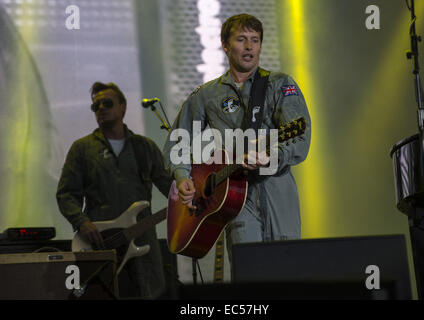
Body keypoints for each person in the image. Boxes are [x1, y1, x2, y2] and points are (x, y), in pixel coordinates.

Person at [163, 14, 311, 261]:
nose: (250, 46)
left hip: (277, 190)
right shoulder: (206, 94)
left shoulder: (280, 84)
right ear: (225, 45)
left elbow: (300, 138)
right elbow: (179, 139)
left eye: (255, 40)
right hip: (234, 199)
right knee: (249, 271)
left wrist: (271, 157)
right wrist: (182, 176)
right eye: (242, 39)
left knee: (288, 270)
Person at [56, 82, 173, 299]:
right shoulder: (82, 149)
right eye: (96, 106)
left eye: (107, 103)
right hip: (101, 246)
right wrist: (81, 222)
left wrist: (194, 191)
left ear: (123, 106)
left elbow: (172, 189)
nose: (101, 108)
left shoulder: (145, 147)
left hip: (143, 244)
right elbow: (66, 194)